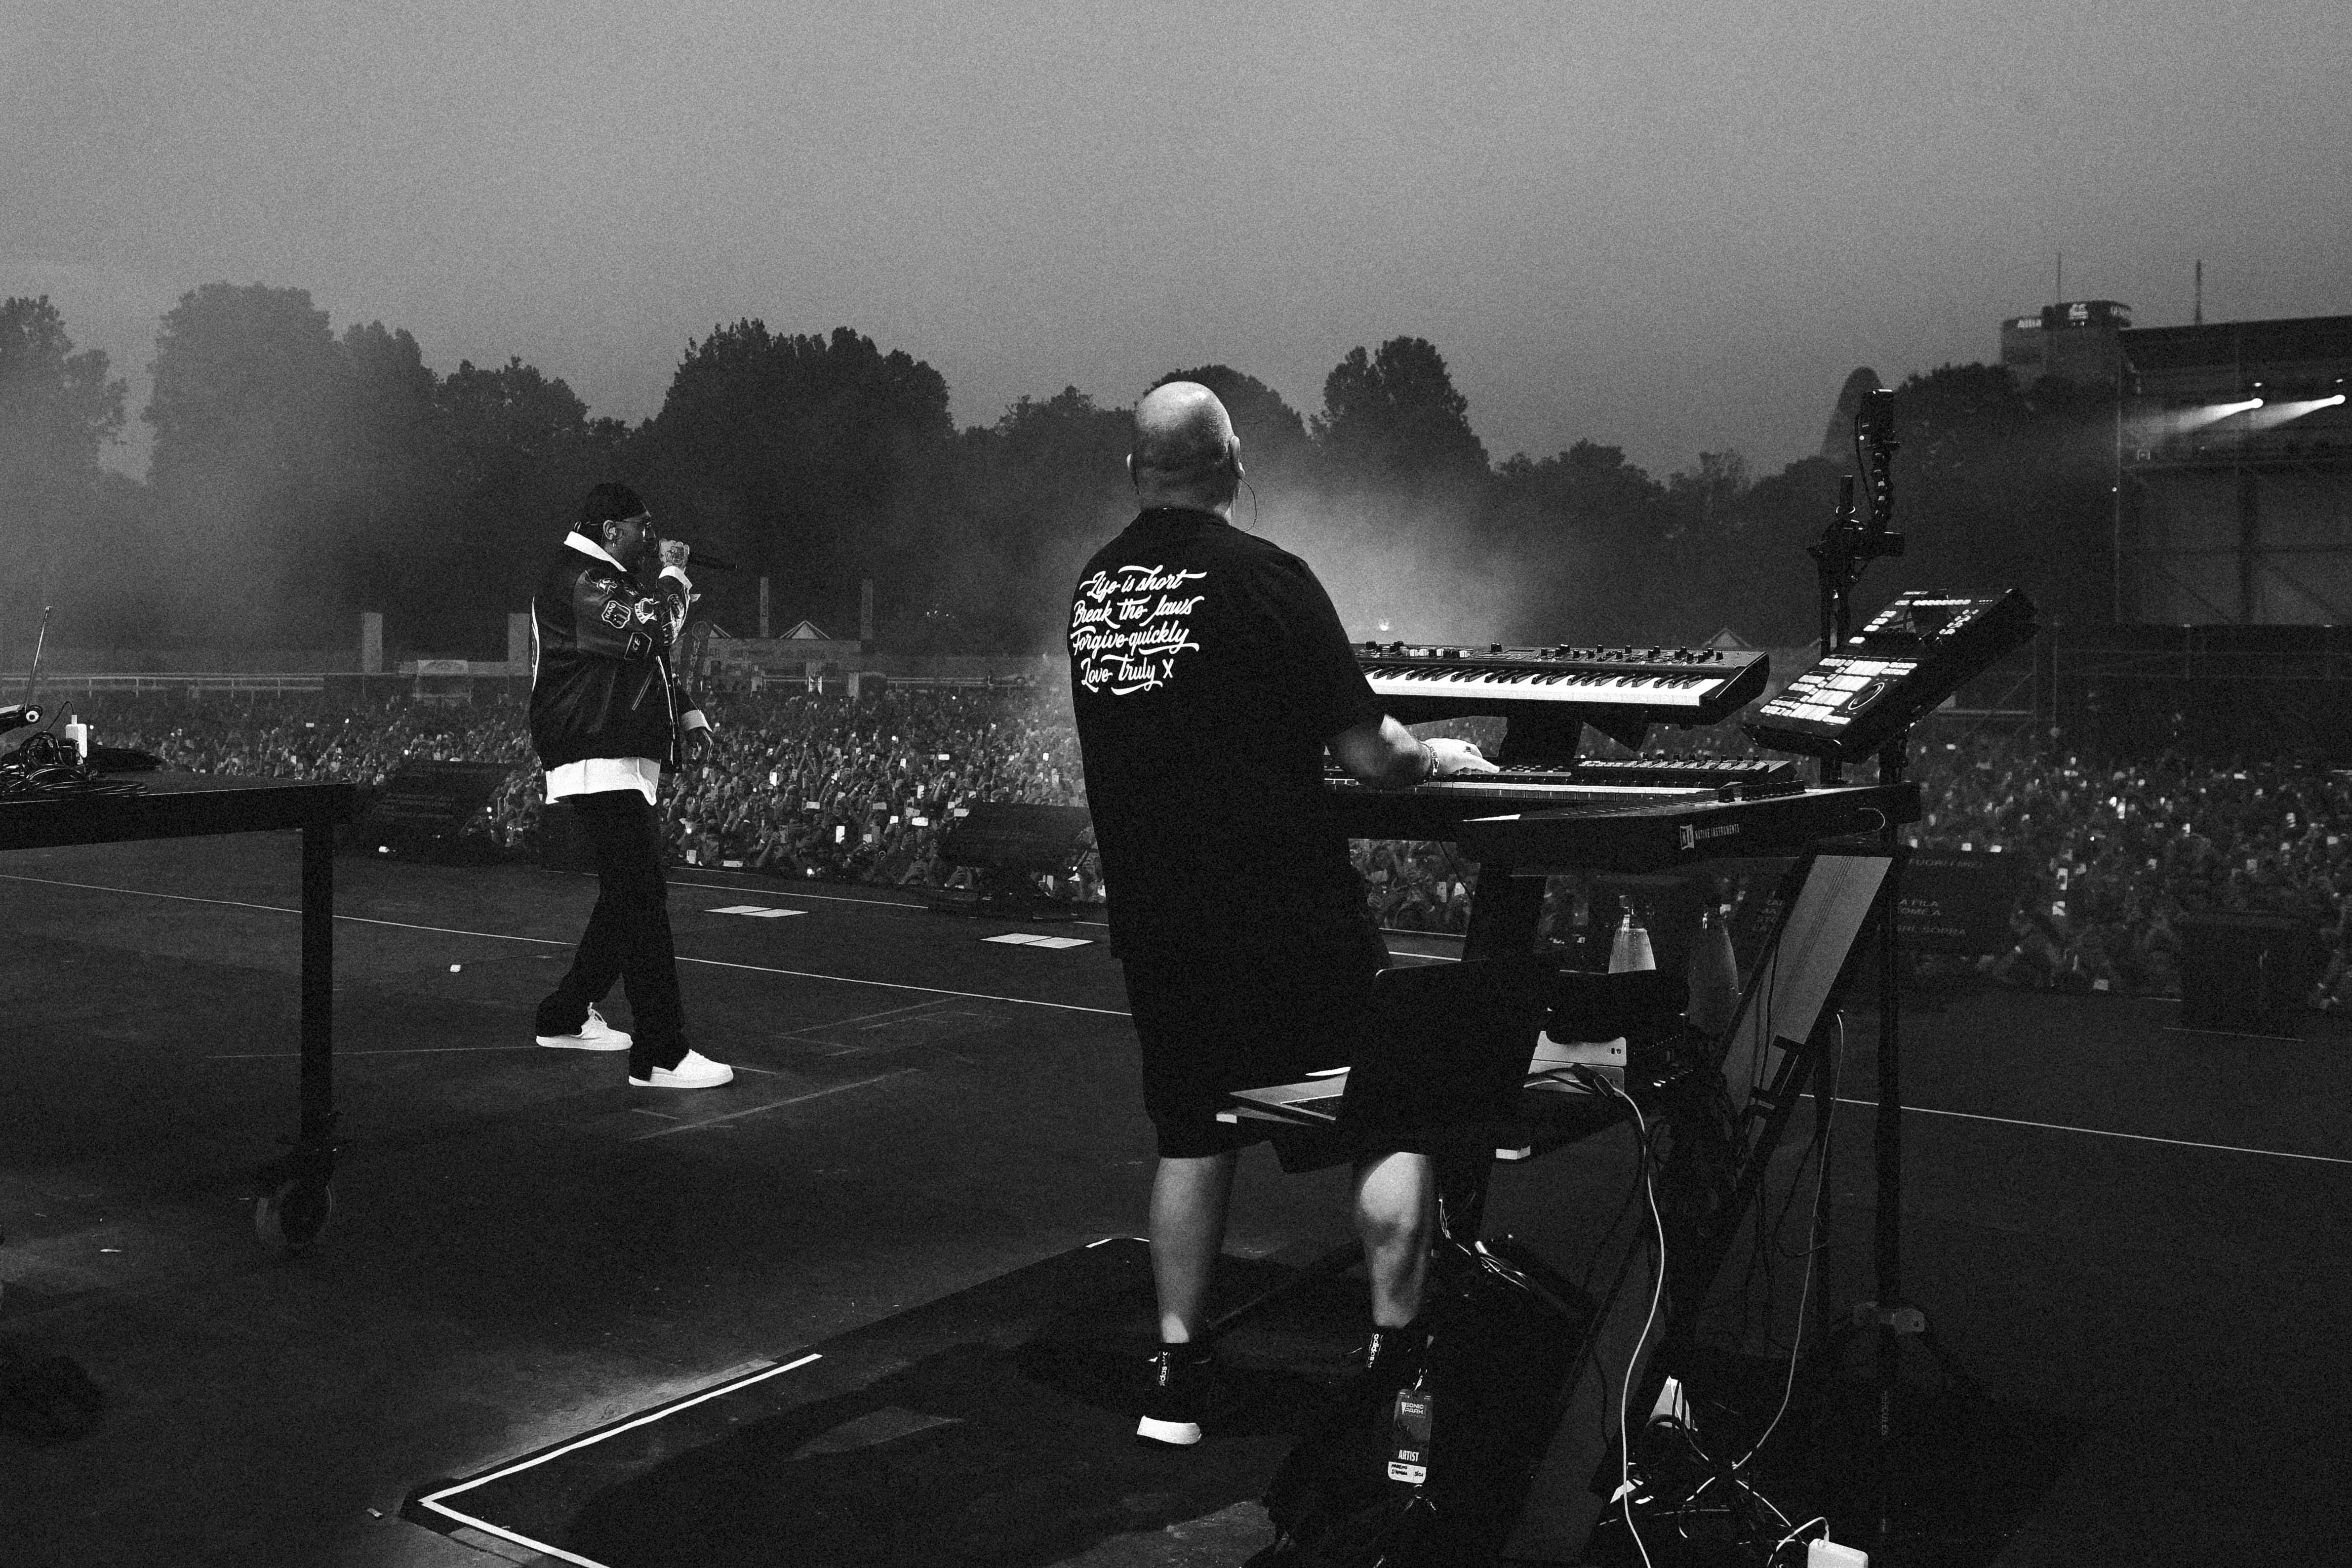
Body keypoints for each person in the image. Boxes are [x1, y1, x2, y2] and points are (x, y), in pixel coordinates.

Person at [1067, 381, 1495, 1447]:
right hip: (1282, 911)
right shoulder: (1268, 577)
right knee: (1389, 1110)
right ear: (1234, 466)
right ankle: (1395, 1365)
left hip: (1159, 918)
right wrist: (1435, 756)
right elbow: (1371, 754)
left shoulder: (1093, 590)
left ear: (1135, 471)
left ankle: (1175, 1374)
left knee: (1192, 1132)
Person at [528, 482, 732, 1090]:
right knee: (641, 899)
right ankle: (660, 1053)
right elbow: (656, 630)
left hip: (607, 748)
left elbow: (634, 658)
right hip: (597, 752)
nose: (650, 537)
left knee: (628, 896)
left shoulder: (598, 577)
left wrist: (685, 710)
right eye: (643, 526)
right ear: (611, 529)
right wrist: (674, 573)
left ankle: (565, 1014)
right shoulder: (582, 578)